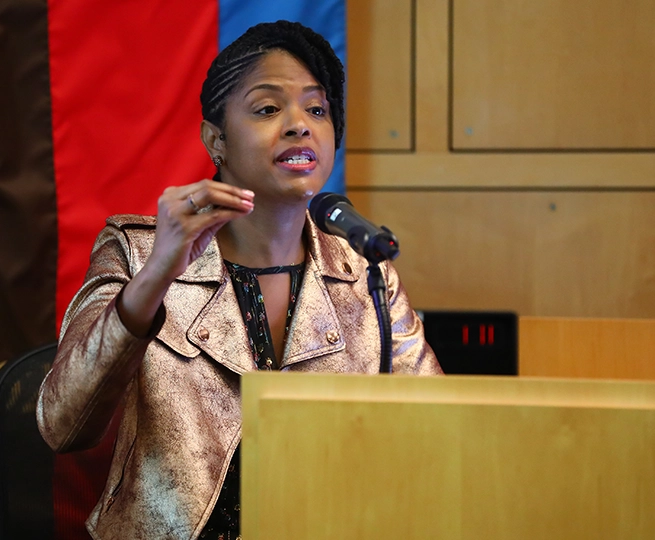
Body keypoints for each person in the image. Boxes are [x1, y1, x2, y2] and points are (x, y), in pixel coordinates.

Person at [36, 20, 443, 540]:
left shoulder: (365, 273)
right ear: (216, 139)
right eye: (269, 108)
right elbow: (61, 423)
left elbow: (435, 436)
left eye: (317, 110)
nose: (300, 125)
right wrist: (158, 275)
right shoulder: (136, 252)